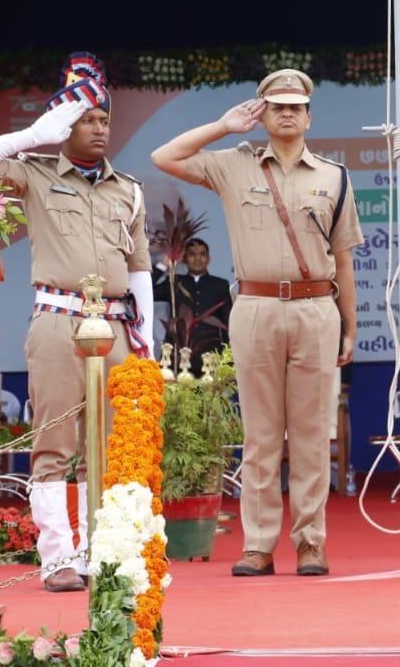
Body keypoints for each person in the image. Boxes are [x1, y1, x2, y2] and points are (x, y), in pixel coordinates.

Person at [151, 69, 362, 577]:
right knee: (261, 435)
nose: (286, 113)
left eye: (295, 106)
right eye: (276, 105)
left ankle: (311, 542)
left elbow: (344, 258)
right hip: (255, 307)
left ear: (309, 115)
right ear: (261, 114)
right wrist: (224, 126)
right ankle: (259, 544)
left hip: (316, 309)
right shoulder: (233, 165)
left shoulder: (333, 176)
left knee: (311, 435)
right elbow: (166, 157)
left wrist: (349, 324)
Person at [0, 52, 154, 592]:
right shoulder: (35, 173)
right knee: (53, 444)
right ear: (63, 127)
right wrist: (33, 134)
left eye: (103, 119)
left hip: (115, 327)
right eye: (85, 119)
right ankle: (56, 559)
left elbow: (140, 269)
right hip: (58, 321)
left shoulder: (129, 188)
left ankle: (99, 554)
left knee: (109, 448)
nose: (98, 128)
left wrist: (148, 343)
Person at [153, 237, 232, 376]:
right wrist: (164, 263)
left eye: (202, 254)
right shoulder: (175, 283)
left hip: (210, 358)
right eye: (192, 254)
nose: (197, 258)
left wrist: (228, 360)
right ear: (184, 259)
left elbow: (227, 324)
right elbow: (149, 291)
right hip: (176, 357)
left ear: (209, 258)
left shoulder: (220, 285)